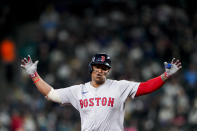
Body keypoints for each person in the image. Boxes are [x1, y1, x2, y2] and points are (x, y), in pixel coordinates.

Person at [21, 53, 182, 131]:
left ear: (108, 71)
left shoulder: (120, 86)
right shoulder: (79, 90)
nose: (100, 70)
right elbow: (51, 94)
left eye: (104, 68)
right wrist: (34, 75)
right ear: (92, 67)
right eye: (97, 66)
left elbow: (146, 87)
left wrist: (165, 75)